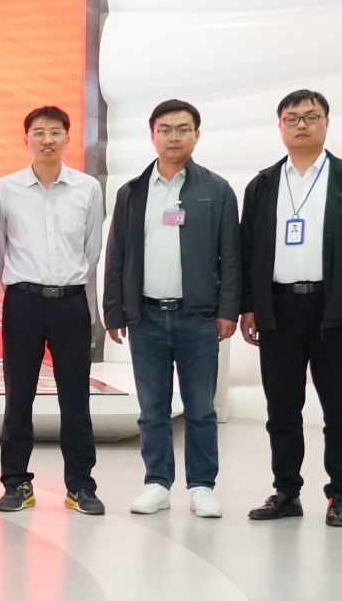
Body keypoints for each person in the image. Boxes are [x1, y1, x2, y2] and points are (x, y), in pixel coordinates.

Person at [237, 90, 342, 527]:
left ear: (327, 123)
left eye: (312, 117)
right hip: (278, 310)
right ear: (280, 126)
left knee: (340, 409)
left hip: (335, 309)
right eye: (293, 118)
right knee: (282, 409)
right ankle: (286, 491)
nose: (302, 125)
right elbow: (247, 250)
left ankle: (340, 494)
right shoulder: (263, 184)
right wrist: (249, 306)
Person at [102, 99, 240, 519]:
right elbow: (117, 255)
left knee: (200, 408)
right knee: (152, 409)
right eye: (165, 129)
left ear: (197, 135)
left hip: (197, 317)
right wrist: (114, 311)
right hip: (145, 318)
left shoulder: (216, 190)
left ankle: (202, 486)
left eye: (183, 129)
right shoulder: (132, 192)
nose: (174, 137)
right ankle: (157, 483)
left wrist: (228, 310)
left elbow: (231, 256)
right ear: (153, 136)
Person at [0, 105, 108, 515]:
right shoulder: (4, 189)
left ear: (67, 138)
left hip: (71, 303)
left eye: (55, 132)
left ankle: (81, 485)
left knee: (75, 398)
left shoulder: (87, 188)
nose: (47, 140)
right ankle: (15, 483)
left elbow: (91, 251)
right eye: (39, 132)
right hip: (23, 301)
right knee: (18, 395)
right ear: (26, 139)